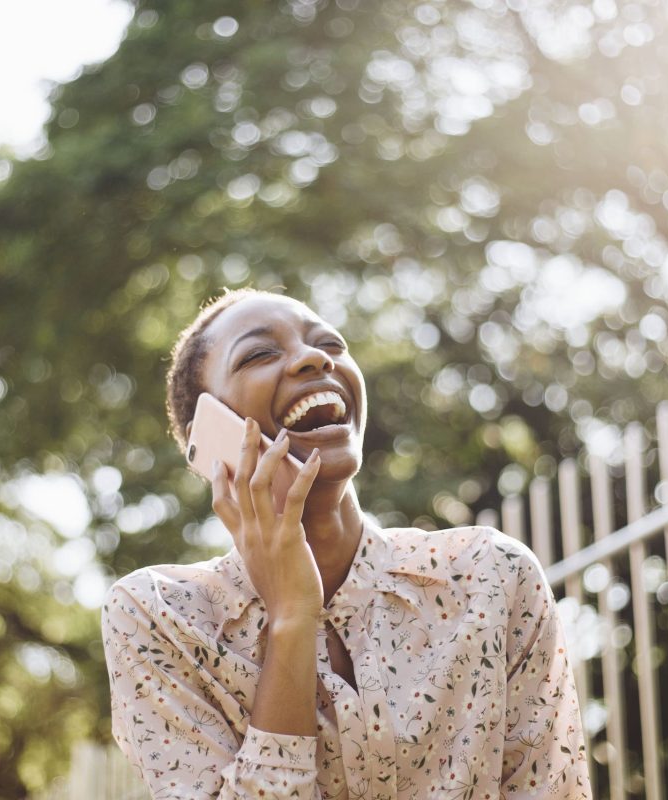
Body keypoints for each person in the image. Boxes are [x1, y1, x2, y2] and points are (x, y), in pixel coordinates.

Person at [102, 288, 590, 798]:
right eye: (260, 353)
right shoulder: (161, 617)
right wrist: (291, 616)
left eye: (331, 344)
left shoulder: (491, 576)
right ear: (211, 432)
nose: (315, 358)